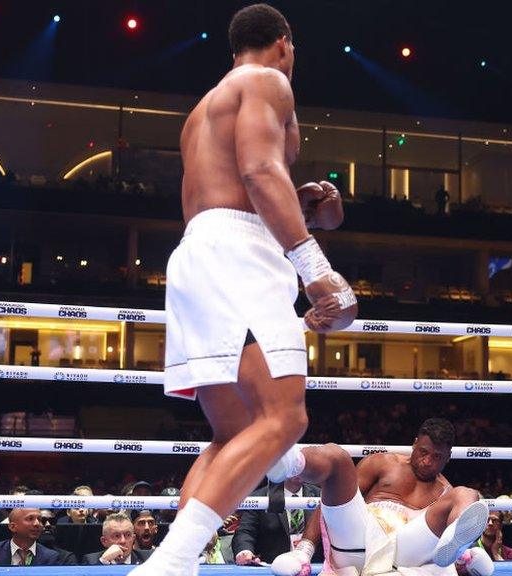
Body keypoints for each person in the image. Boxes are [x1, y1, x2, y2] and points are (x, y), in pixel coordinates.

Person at [130, 5, 355, 575]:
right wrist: (316, 268)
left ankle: (176, 560)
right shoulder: (267, 80)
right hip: (238, 255)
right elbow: (258, 172)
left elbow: (241, 186)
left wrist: (304, 201)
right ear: (284, 44)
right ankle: (172, 562)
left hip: (198, 254)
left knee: (234, 433)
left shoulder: (203, 108)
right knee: (286, 418)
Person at [271, 418, 493, 576]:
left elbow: (437, 537)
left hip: (407, 550)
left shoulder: (445, 491)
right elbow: (334, 501)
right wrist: (305, 550)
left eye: (437, 457)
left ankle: (462, 551)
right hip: (361, 538)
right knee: (337, 456)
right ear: (415, 443)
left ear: (448, 458)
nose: (428, 461)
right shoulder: (383, 463)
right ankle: (290, 462)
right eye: (424, 452)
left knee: (467, 494)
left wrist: (457, 556)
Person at [232, 477, 322, 565]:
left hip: (314, 567)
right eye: (294, 466)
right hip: (273, 567)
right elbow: (246, 531)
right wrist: (245, 551)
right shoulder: (259, 497)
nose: (298, 471)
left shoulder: (321, 495)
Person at [0, 507, 72, 566]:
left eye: (39, 519)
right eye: (30, 519)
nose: (37, 524)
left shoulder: (51, 556)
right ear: (12, 527)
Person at [82, 513, 153, 565]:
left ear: (133, 538)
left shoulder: (148, 559)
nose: (123, 541)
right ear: (104, 541)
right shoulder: (91, 561)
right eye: (116, 536)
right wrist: (103, 562)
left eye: (128, 535)